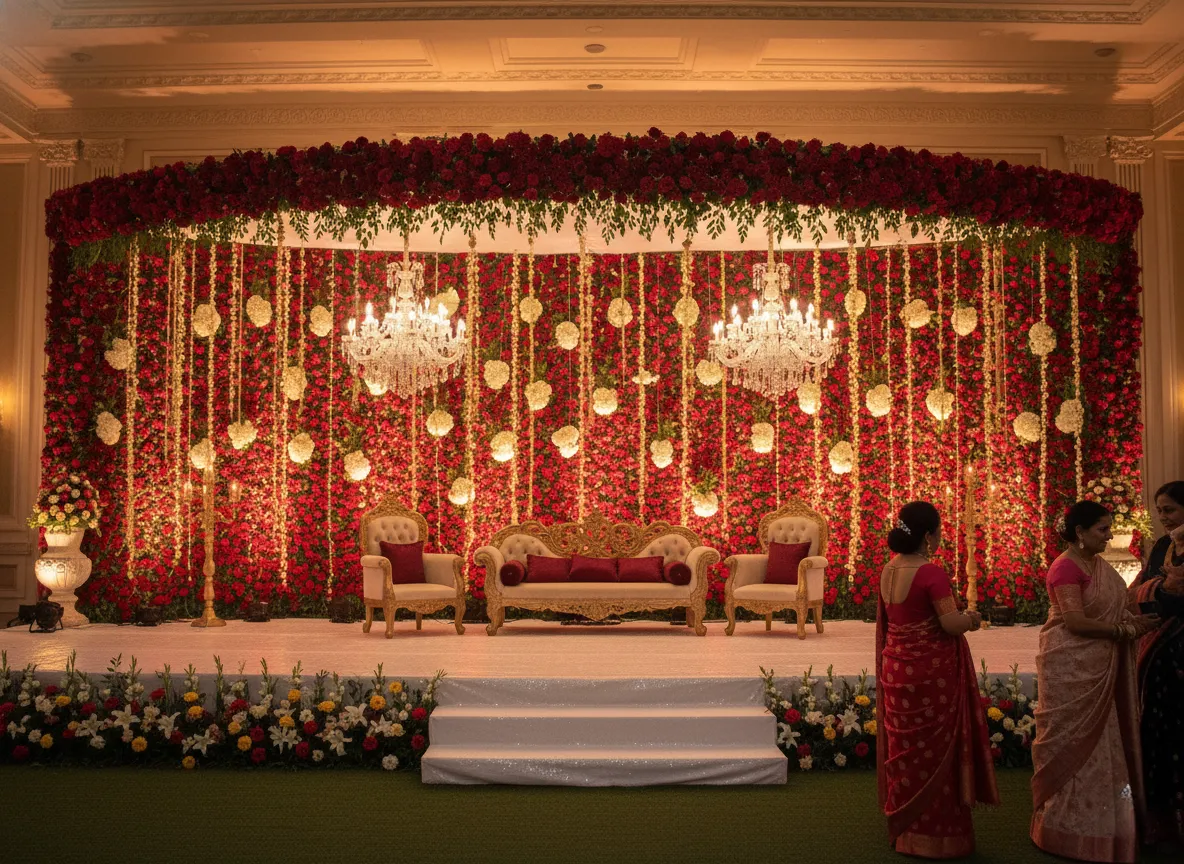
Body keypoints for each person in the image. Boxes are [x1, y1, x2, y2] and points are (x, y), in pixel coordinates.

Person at [1030, 501, 1160, 862]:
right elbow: (1075, 622)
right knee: (1073, 743)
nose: (1109, 535)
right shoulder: (1065, 568)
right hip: (1071, 668)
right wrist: (1124, 629)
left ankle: (1111, 823)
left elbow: (1119, 603)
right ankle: (1066, 826)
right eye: (1102, 530)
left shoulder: (1098, 565)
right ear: (1079, 533)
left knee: (1108, 744)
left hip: (1102, 664)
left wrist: (1138, 619)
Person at [876, 501, 999, 858]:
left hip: (896, 668)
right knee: (935, 751)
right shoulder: (932, 573)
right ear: (929, 535)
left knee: (907, 751)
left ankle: (906, 830)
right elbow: (949, 624)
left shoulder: (887, 570)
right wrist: (972, 618)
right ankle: (938, 835)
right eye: (940, 531)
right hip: (931, 673)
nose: (941, 537)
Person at [1131, 481, 1184, 849]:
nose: (1163, 517)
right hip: (1159, 660)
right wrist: (1160, 589)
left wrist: (1160, 591)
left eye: (1170, 510)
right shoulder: (1165, 545)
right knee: (1155, 734)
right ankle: (1160, 827)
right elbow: (1141, 588)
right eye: (1160, 510)